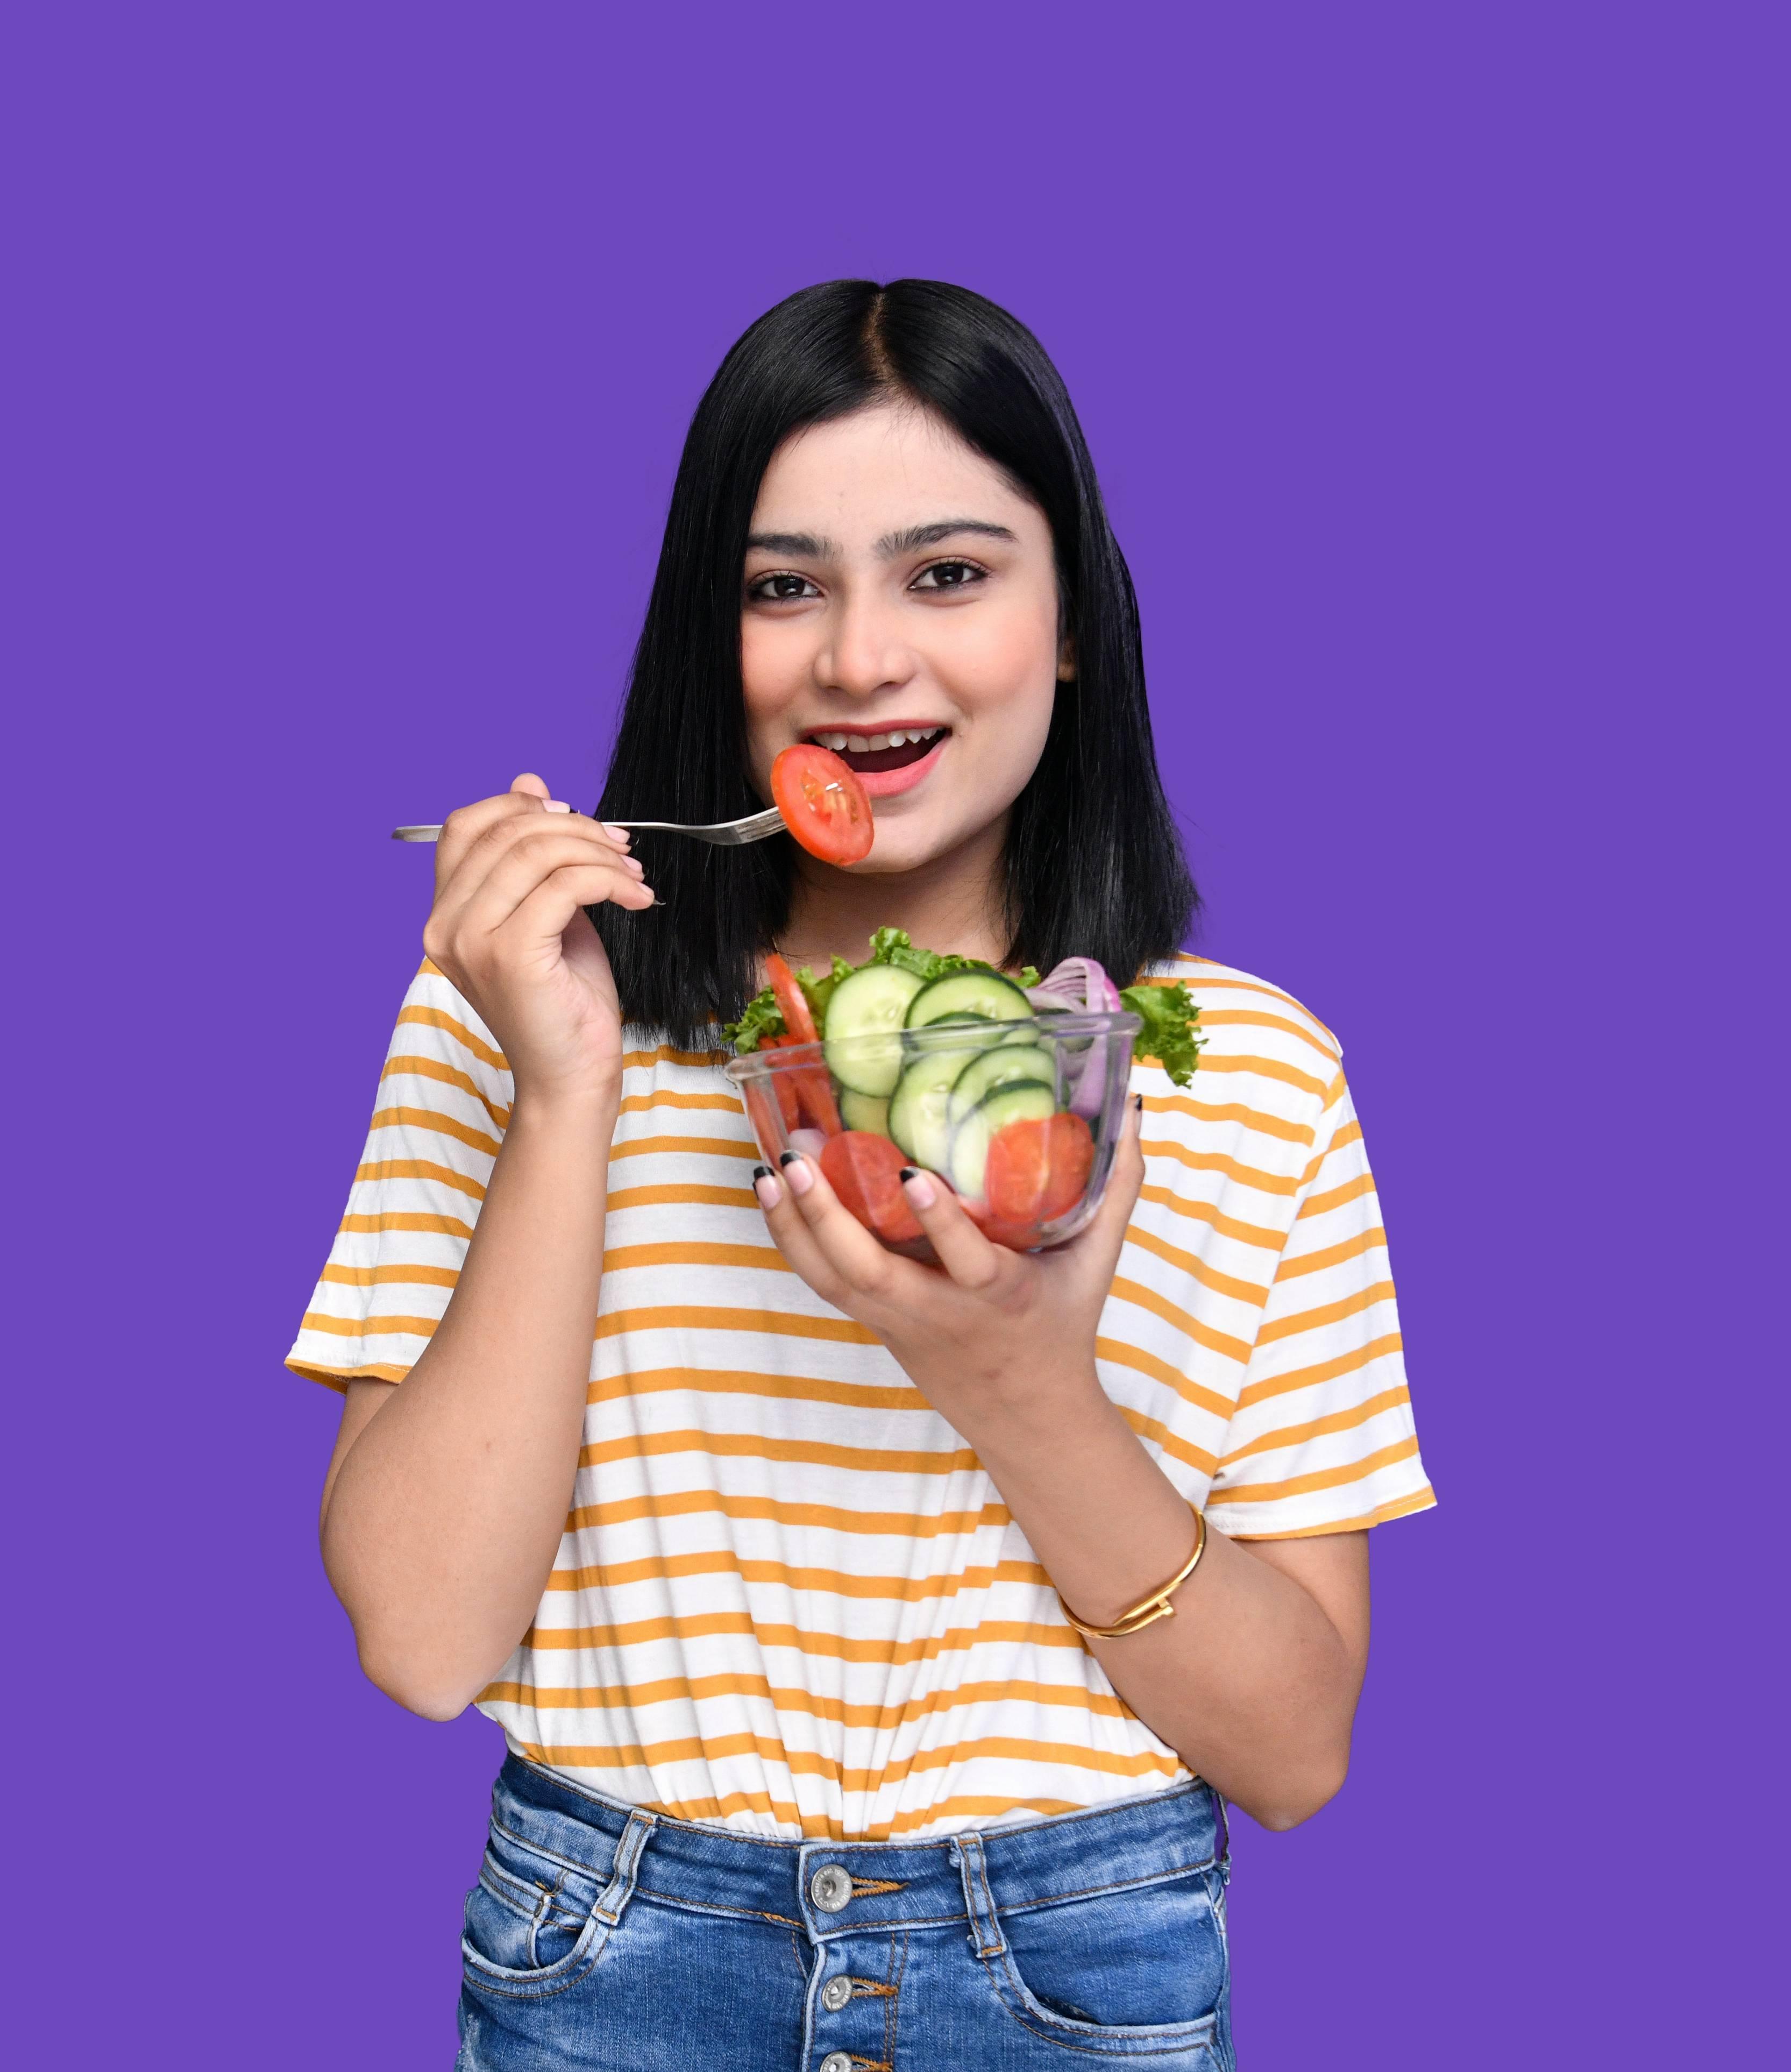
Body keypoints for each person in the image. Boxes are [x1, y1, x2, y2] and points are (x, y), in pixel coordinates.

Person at [294, 279, 1432, 2070]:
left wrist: (1018, 1380)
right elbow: (427, 1643)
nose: (857, 659)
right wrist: (573, 1082)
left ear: (1071, 626)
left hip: (1074, 1971)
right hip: (613, 1960)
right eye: (781, 585)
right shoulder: (512, 1017)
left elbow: (1293, 1755)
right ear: (707, 634)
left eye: (950, 573)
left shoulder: (1242, 1073)